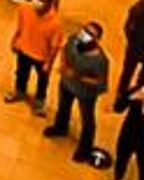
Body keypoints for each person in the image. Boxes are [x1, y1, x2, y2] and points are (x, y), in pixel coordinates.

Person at [44, 17, 108, 160]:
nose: (85, 34)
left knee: (87, 120)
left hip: (85, 93)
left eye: (90, 34)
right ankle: (60, 127)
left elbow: (100, 83)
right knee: (63, 107)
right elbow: (64, 50)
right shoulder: (74, 40)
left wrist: (78, 76)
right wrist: (63, 64)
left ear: (97, 40)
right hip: (66, 84)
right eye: (85, 30)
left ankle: (85, 148)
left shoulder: (99, 61)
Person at [6, 0, 62, 111]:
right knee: (21, 73)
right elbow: (20, 27)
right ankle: (19, 91)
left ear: (49, 4)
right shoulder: (25, 9)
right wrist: (15, 40)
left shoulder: (55, 23)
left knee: (42, 81)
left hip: (41, 57)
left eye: (42, 0)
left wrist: (49, 62)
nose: (38, 2)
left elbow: (55, 46)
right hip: (24, 50)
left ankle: (40, 100)